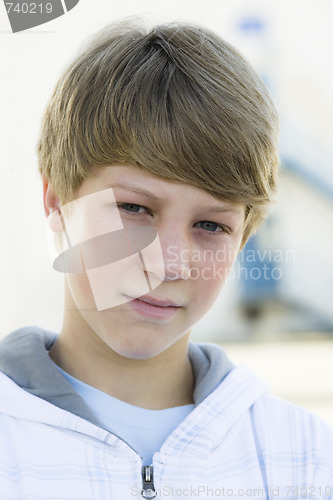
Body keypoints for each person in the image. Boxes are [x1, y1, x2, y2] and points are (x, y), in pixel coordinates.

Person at [0, 19, 332, 500]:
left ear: (243, 237)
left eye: (211, 226)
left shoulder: (307, 460)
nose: (168, 263)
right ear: (56, 201)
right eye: (134, 208)